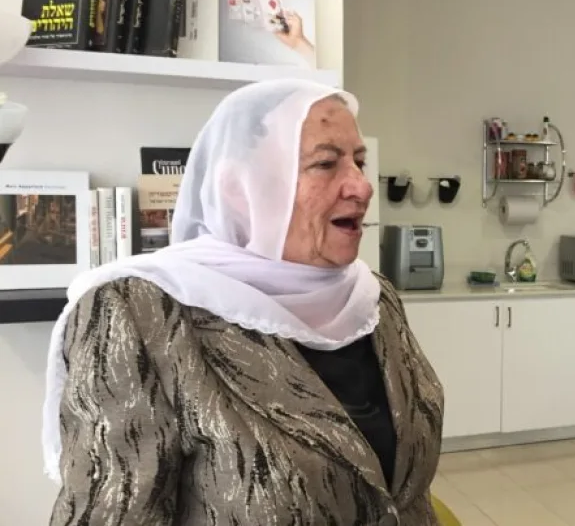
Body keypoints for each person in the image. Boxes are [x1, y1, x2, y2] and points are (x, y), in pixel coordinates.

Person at [43, 79, 444, 525]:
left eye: (360, 162)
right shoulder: (137, 311)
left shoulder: (374, 299)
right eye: (326, 163)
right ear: (239, 188)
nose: (362, 187)